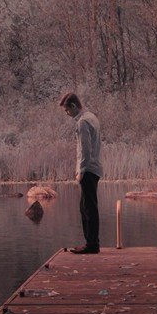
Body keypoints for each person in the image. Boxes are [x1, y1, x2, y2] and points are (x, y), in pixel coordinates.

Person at [59, 92, 102, 254]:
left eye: (67, 110)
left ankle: (91, 244)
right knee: (88, 206)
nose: (67, 114)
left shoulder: (82, 122)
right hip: (95, 168)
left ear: (73, 106)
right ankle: (91, 242)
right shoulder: (92, 117)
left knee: (87, 208)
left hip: (88, 169)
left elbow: (85, 149)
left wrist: (81, 170)